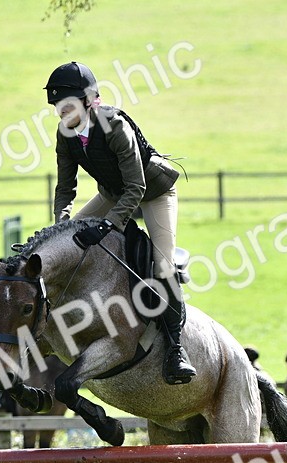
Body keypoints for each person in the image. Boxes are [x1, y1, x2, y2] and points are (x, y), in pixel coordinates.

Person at [45, 62, 193, 384]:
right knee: (66, 244)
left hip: (153, 192)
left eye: (67, 105)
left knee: (163, 265)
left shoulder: (114, 126)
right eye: (58, 107)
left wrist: (108, 225)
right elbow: (65, 187)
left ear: (88, 101)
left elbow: (136, 187)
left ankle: (176, 350)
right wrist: (61, 222)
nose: (62, 113)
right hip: (114, 192)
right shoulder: (65, 134)